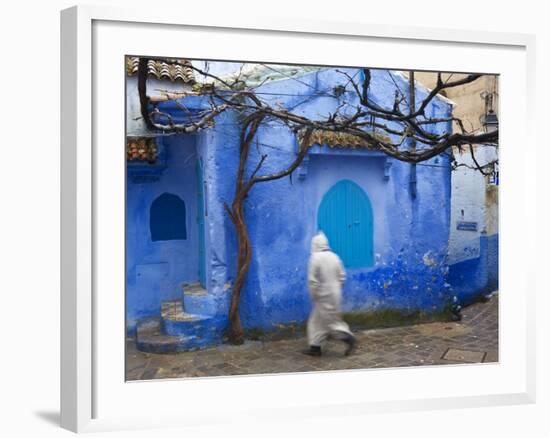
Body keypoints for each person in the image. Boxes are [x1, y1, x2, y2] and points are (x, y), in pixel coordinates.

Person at [303, 232, 357, 357]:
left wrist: (314, 295)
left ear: (315, 244)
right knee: (317, 321)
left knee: (330, 322)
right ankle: (315, 347)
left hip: (323, 294)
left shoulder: (315, 258)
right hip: (336, 293)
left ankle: (348, 337)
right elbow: (342, 276)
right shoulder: (335, 257)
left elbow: (312, 281)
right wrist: (336, 289)